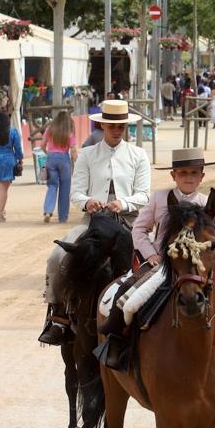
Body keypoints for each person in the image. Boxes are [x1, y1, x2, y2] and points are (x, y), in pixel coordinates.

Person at [38, 99, 151, 345]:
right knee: (56, 256)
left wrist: (123, 203)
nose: (117, 129)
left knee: (156, 263)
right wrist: (89, 201)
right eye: (112, 125)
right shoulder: (88, 154)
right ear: (103, 125)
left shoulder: (138, 155)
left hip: (128, 222)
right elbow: (76, 192)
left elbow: (144, 194)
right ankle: (58, 317)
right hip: (92, 223)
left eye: (121, 125)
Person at [97, 147, 215, 358]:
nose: (188, 178)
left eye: (194, 173)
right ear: (174, 175)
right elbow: (139, 229)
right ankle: (116, 340)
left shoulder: (206, 203)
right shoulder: (159, 198)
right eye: (183, 173)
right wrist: (151, 254)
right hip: (160, 264)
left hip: (198, 267)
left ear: (202, 176)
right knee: (128, 292)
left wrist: (207, 260)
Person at [40, 110, 78, 224]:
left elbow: (42, 145)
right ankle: (62, 217)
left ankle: (48, 210)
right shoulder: (69, 132)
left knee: (52, 185)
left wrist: (48, 153)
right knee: (65, 189)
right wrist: (78, 163)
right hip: (64, 159)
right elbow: (73, 151)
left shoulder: (50, 130)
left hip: (51, 158)